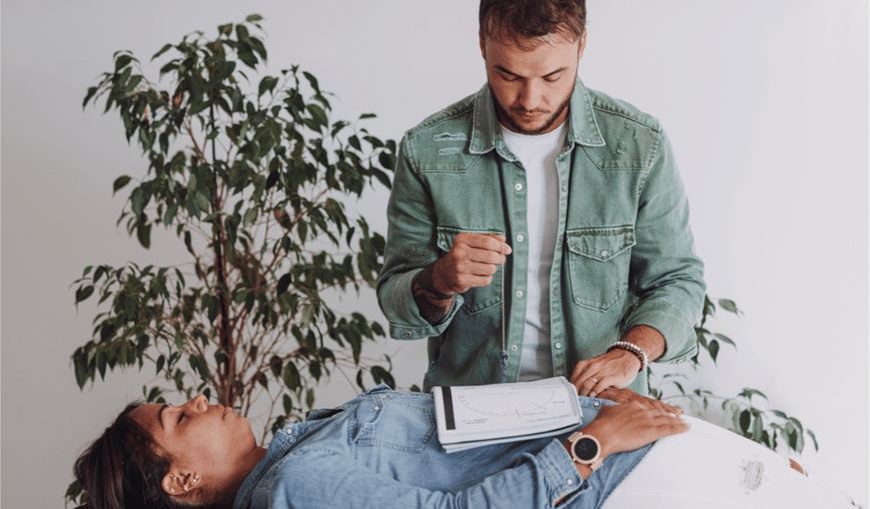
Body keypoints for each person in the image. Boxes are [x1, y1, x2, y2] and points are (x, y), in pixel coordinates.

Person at [377, 0, 706, 396]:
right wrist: (440, 279)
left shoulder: (640, 146)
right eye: (508, 74)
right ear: (482, 44)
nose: (530, 99)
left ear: (582, 44)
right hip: (473, 409)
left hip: (598, 410)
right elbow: (395, 298)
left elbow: (677, 279)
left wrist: (630, 353)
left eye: (552, 76)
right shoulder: (426, 150)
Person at [73, 387, 858, 509]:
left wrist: (585, 407)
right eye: (180, 415)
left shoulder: (294, 446)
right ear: (179, 479)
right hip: (620, 474)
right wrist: (588, 443)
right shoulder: (296, 488)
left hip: (631, 449)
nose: (202, 399)